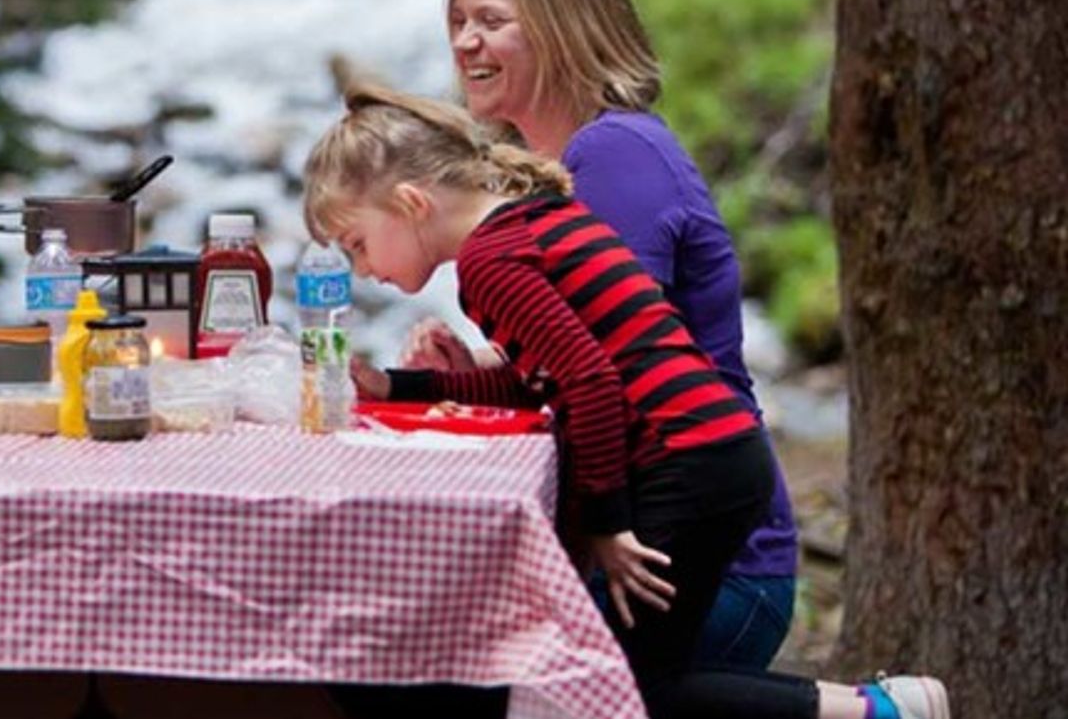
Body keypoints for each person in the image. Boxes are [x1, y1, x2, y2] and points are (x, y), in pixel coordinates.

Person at [306, 85, 950, 719]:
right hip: (723, 454)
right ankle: (886, 706)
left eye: (358, 244)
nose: (363, 269)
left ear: (410, 201)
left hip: (685, 467)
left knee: (598, 688)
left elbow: (589, 383)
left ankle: (880, 710)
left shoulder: (490, 263)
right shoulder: (535, 217)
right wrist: (401, 387)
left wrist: (608, 525)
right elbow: (541, 381)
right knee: (631, 678)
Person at [386, 0, 800, 669]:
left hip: (713, 566)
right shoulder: (552, 164)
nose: (464, 43)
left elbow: (608, 378)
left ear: (564, 25)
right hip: (662, 536)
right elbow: (577, 364)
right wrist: (470, 370)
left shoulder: (615, 158)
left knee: (463, 671)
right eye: (457, 21)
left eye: (491, 20)